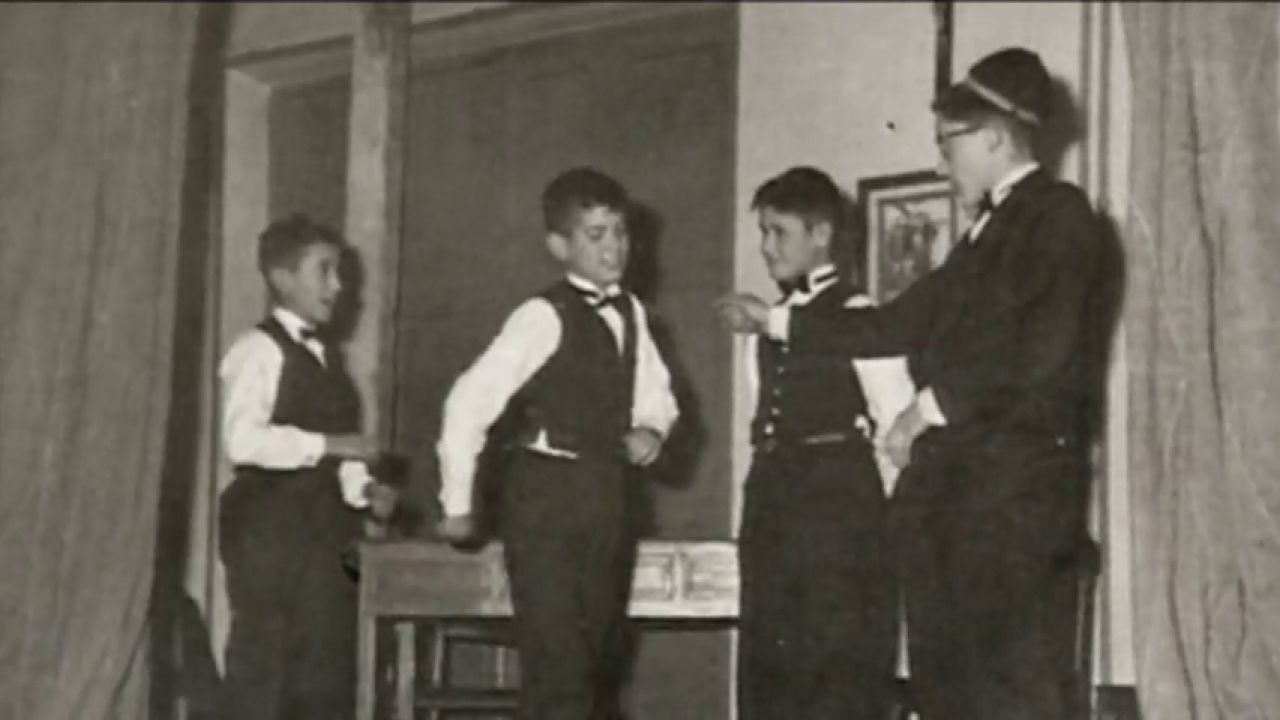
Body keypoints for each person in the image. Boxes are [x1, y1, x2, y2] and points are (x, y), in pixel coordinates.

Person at [717, 47, 1102, 720]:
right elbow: (891, 324)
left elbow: (1041, 348)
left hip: (1013, 507)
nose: (940, 165)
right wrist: (773, 320)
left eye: (947, 145)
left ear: (993, 137)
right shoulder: (983, 237)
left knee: (1010, 692)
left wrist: (927, 409)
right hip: (960, 510)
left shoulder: (1059, 214)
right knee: (948, 691)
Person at [435, 167, 679, 720]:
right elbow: (467, 403)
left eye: (620, 232)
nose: (614, 247)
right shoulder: (541, 316)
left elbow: (657, 395)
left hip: (607, 495)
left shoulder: (632, 313)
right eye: (596, 235)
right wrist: (457, 503)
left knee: (596, 664)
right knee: (558, 667)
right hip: (545, 497)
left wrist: (652, 429)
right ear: (559, 246)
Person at [734, 167, 896, 720]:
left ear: (821, 234)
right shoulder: (762, 328)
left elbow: (895, 429)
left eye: (778, 232)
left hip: (839, 510)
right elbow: (763, 424)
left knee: (836, 665)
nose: (766, 247)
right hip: (772, 505)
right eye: (763, 232)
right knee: (769, 661)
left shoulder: (859, 317)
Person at [217, 213, 393, 720]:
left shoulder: (331, 362)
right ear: (282, 278)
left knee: (324, 669)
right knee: (267, 668)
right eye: (325, 271)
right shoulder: (256, 349)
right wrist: (331, 445)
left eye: (339, 272)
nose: (337, 286)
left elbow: (341, 458)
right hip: (269, 531)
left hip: (324, 534)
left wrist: (365, 492)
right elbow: (242, 441)